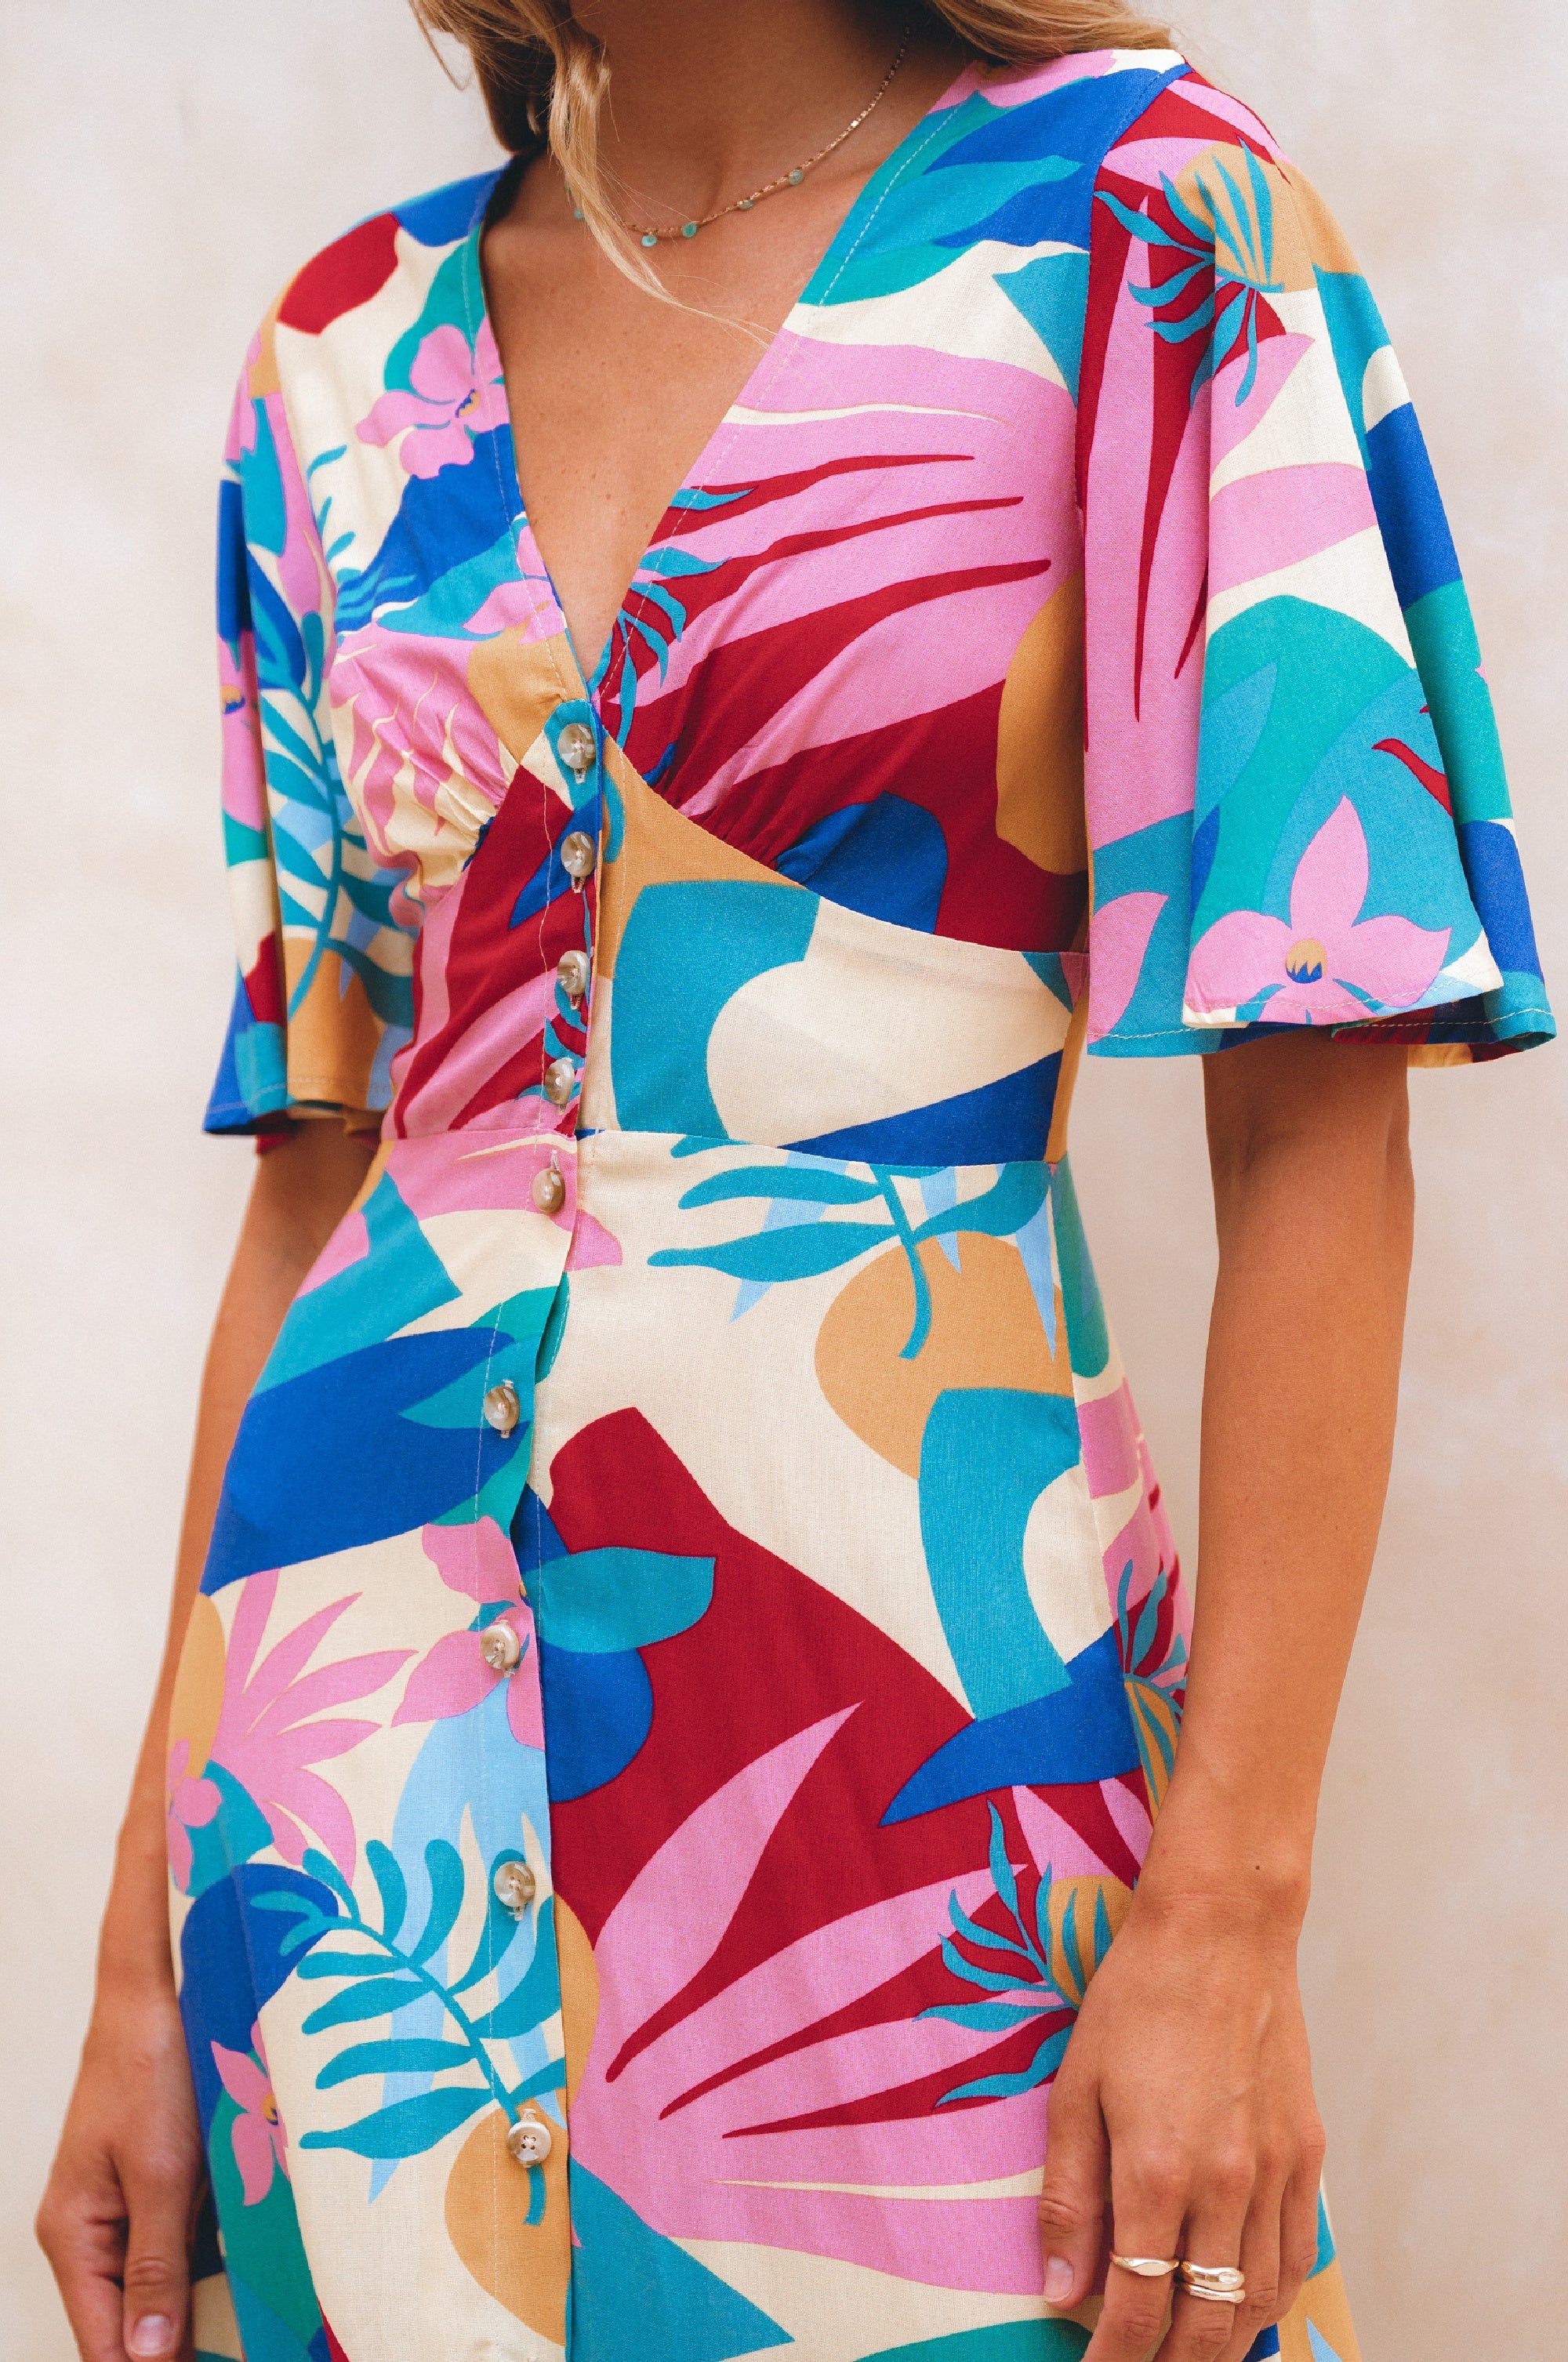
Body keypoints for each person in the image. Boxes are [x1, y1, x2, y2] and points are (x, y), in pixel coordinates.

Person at [38, 4, 1553, 2360]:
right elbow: (317, 1190)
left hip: (913, 1698)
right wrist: (138, 1958)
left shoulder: (1151, 216)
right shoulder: (341, 350)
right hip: (348, 1778)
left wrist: (1229, 1914)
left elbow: (1319, 1118)